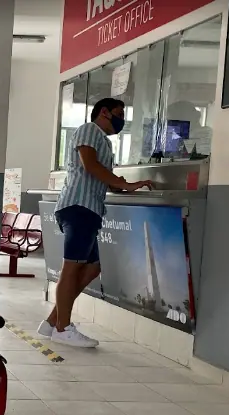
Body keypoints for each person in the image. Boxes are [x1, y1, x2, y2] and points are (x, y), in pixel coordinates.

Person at [40, 98, 153, 348]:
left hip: (89, 210)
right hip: (78, 207)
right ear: (104, 112)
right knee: (72, 267)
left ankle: (52, 321)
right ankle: (62, 328)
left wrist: (123, 186)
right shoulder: (89, 130)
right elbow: (89, 165)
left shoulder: (104, 141)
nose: (122, 119)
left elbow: (101, 175)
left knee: (92, 268)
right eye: (119, 113)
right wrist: (123, 183)